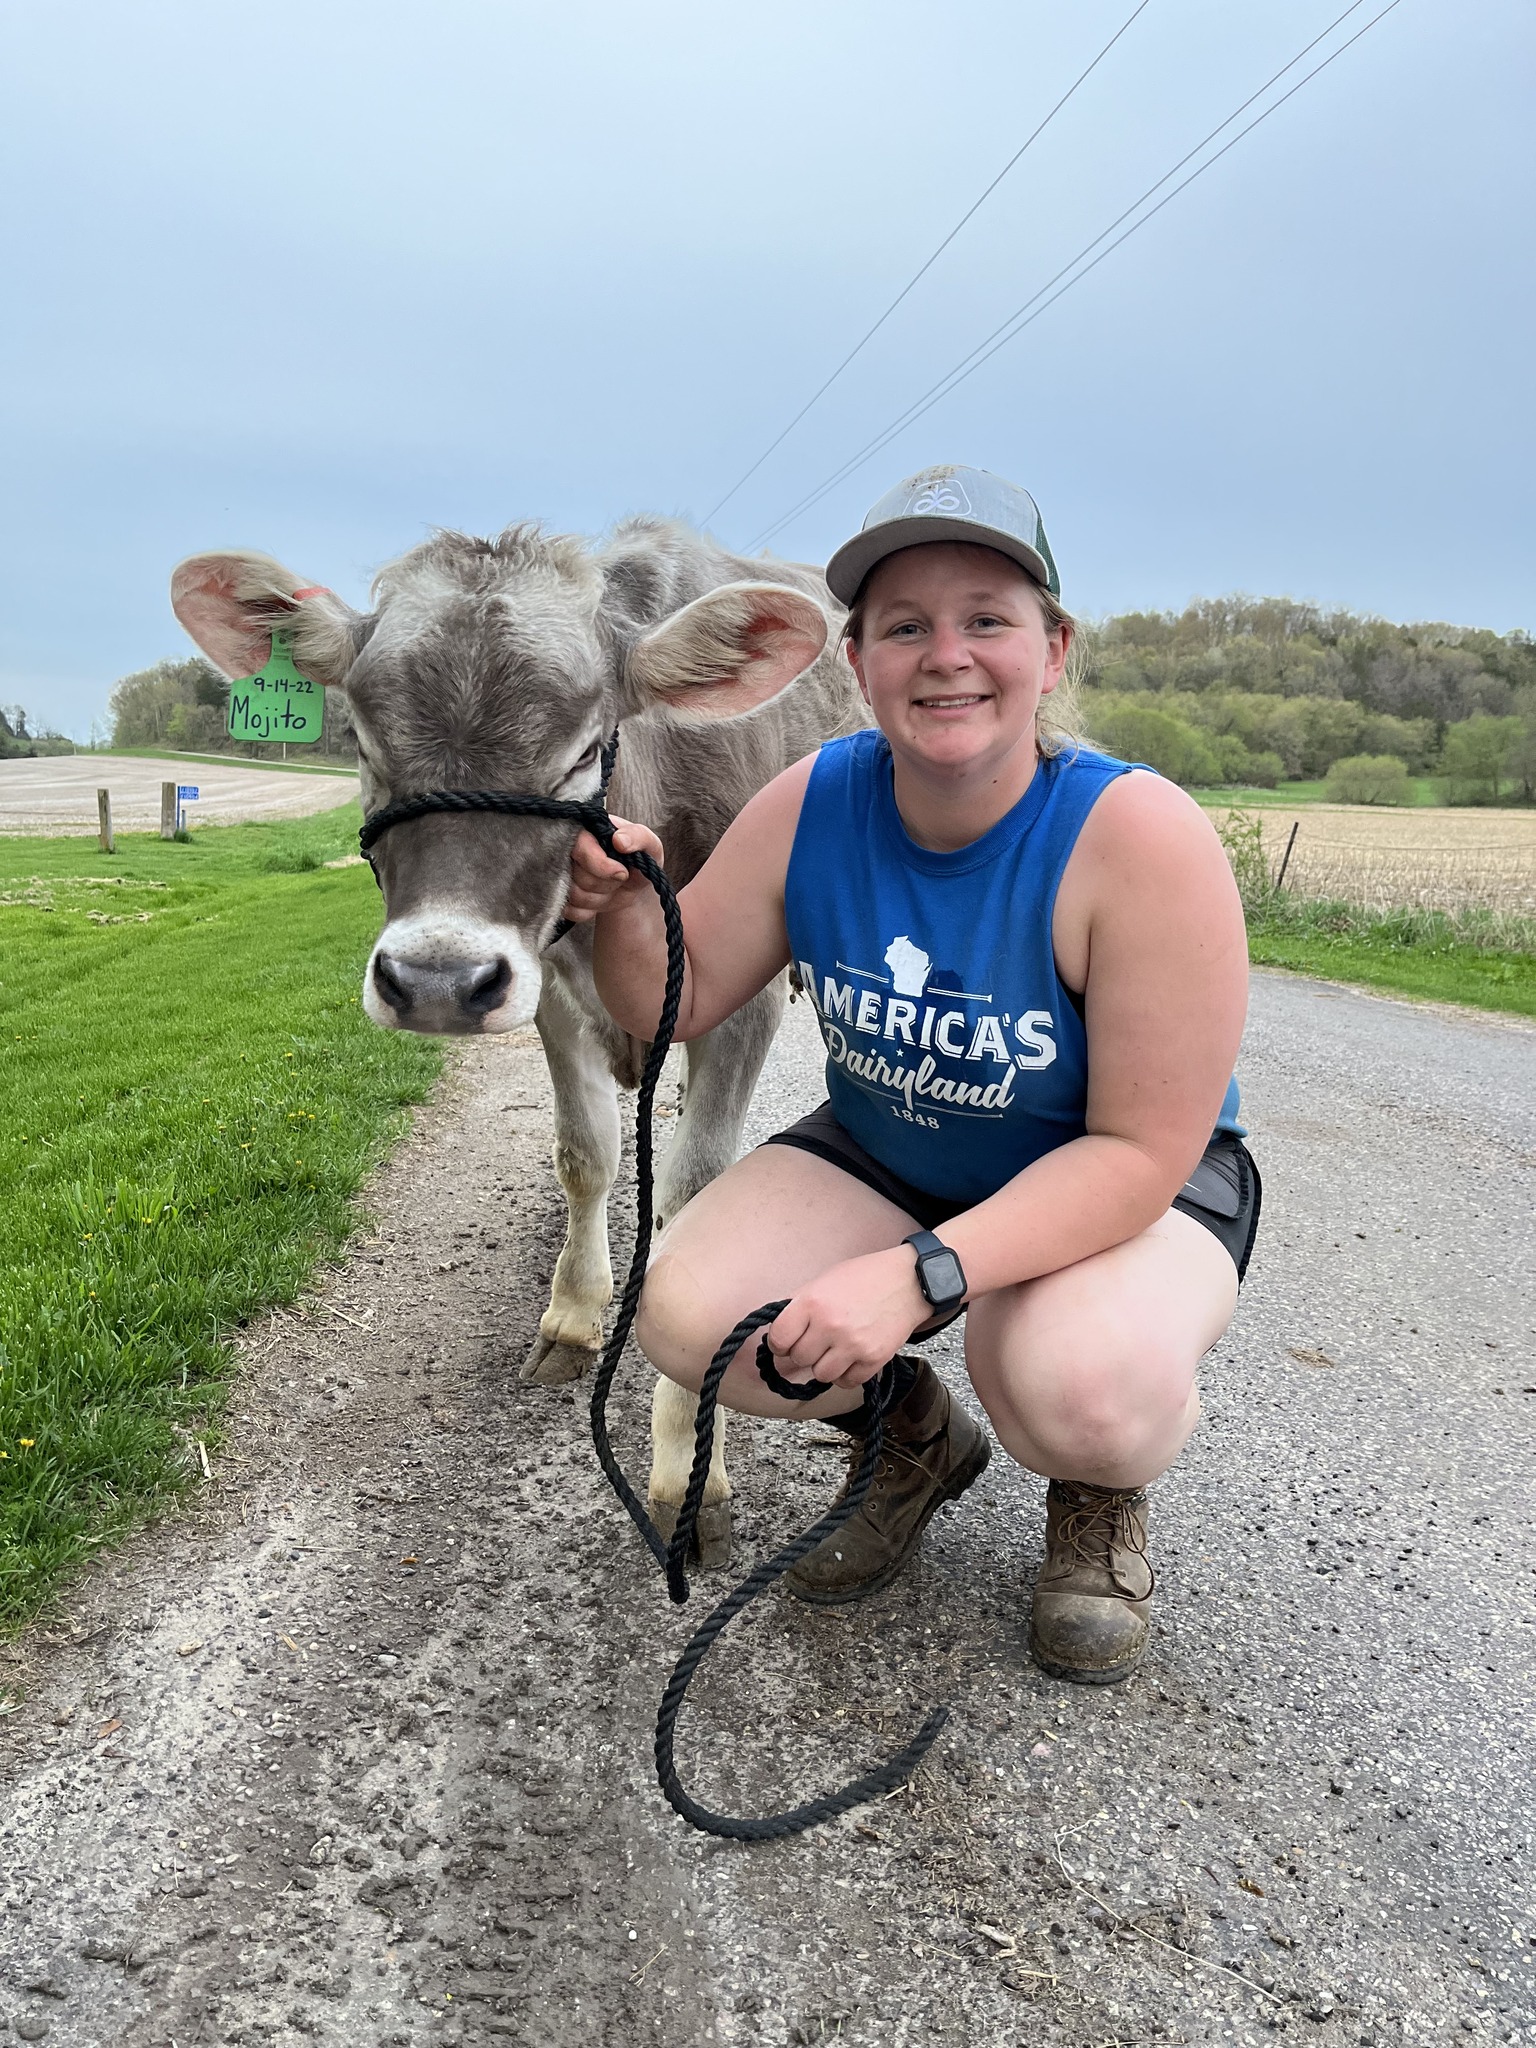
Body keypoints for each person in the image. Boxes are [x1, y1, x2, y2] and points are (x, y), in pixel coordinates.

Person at [565, 465, 1259, 1684]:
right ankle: (911, 1441)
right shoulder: (816, 799)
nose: (947, 655)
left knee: (1067, 1382)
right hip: (903, 1143)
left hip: (1114, 1178)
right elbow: (662, 1001)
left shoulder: (1136, 836)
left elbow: (1141, 1151)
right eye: (904, 626)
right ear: (857, 660)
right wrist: (614, 898)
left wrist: (919, 1275)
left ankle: (1096, 1496)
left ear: (1052, 649)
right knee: (690, 1316)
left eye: (987, 618)